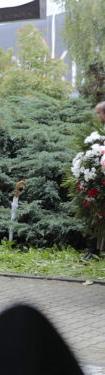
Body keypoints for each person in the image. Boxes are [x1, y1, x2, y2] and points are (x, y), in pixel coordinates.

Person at [82, 101, 105, 262]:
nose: (97, 116)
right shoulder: (99, 132)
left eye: (99, 113)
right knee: (94, 214)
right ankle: (93, 249)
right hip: (98, 179)